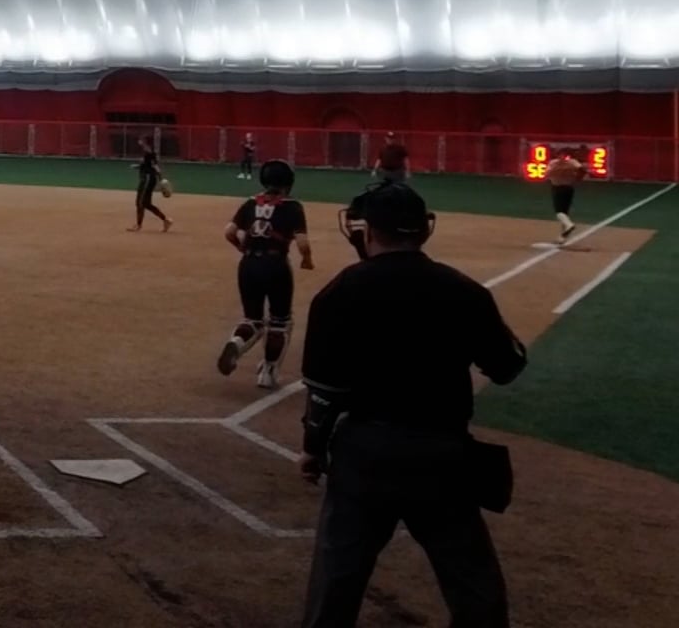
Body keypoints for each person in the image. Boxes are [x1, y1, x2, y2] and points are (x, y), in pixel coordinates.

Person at [298, 183, 528, 628]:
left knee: (337, 578)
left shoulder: (341, 289)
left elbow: (325, 391)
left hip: (365, 451)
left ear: (367, 231)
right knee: (472, 582)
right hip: (442, 452)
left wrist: (313, 447)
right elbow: (508, 366)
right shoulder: (463, 290)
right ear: (425, 229)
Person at [219, 160, 315, 389]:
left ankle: (236, 343)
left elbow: (229, 231)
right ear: (288, 182)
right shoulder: (293, 206)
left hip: (248, 264)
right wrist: (307, 260)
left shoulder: (251, 202)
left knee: (252, 319)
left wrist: (241, 248)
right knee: (280, 321)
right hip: (276, 265)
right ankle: (268, 373)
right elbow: (302, 242)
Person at [128, 137, 171, 232]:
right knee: (146, 203)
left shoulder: (150, 153)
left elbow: (155, 167)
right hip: (148, 179)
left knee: (140, 202)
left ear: (147, 144)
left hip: (147, 179)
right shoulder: (148, 153)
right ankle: (166, 220)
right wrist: (138, 166)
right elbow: (149, 165)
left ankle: (138, 225)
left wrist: (161, 179)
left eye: (143, 142)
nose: (141, 143)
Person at [545, 151, 585, 242]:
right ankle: (563, 236)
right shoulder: (572, 162)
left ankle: (569, 226)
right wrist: (578, 178)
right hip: (568, 188)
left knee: (559, 212)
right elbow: (582, 170)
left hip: (558, 188)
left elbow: (547, 174)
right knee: (564, 213)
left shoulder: (553, 163)